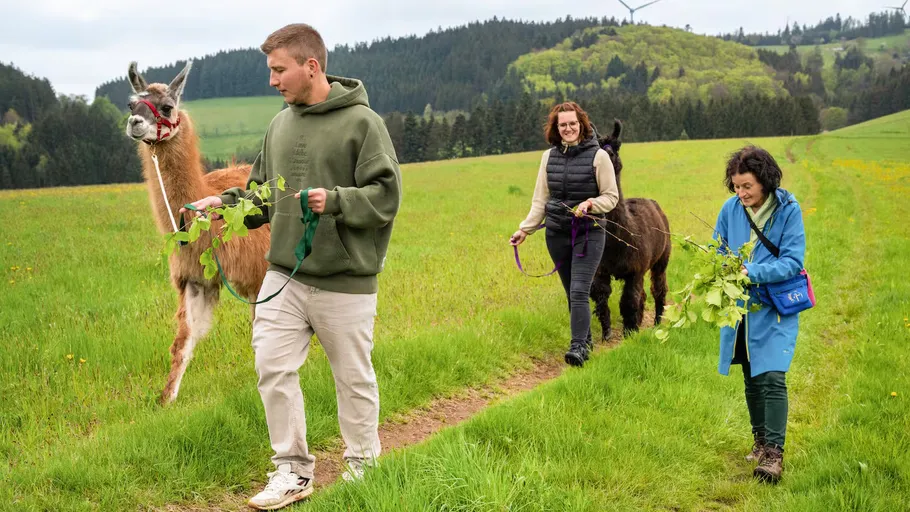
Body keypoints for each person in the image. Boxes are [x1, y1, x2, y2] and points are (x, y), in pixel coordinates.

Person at [183, 23, 402, 510]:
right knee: (272, 367)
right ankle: (293, 472)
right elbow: (263, 192)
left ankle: (364, 466)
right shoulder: (279, 124)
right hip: (283, 276)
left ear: (311, 66)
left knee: (353, 377)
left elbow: (386, 196)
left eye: (279, 70)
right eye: (270, 71)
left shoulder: (364, 124)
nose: (272, 80)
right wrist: (225, 202)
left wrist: (338, 200)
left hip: (345, 281)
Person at [714, 145, 806, 484]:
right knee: (751, 374)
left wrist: (750, 271)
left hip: (775, 305)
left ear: (765, 181)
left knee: (772, 375)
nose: (741, 193)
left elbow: (793, 262)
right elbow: (718, 249)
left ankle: (774, 455)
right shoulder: (729, 209)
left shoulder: (788, 210)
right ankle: (760, 442)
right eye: (736, 186)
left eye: (747, 186)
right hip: (741, 308)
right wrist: (720, 269)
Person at [510, 102, 619, 367]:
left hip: (589, 233)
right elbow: (540, 200)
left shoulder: (599, 157)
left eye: (572, 123)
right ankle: (587, 339)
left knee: (580, 289)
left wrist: (591, 204)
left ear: (582, 124)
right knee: (572, 292)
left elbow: (611, 197)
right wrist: (525, 229)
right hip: (557, 233)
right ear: (556, 129)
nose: (568, 128)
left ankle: (578, 347)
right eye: (562, 125)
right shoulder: (548, 157)